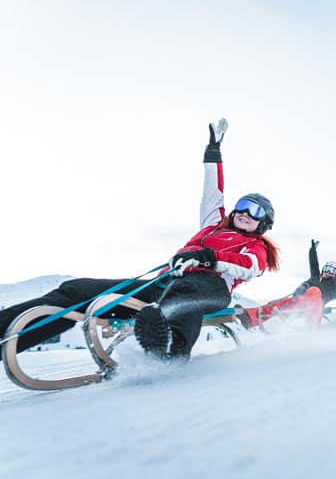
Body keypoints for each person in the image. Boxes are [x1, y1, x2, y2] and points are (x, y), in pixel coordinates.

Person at [0, 118, 279, 360]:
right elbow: (213, 191)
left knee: (185, 296)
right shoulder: (213, 226)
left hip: (211, 288)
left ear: (263, 224)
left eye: (255, 211)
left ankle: (170, 350)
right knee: (75, 290)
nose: (244, 212)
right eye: (242, 205)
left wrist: (208, 257)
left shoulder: (256, 247)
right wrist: (213, 151)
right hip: (166, 283)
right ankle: (6, 332)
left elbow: (249, 265)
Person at [240, 240, 336, 328]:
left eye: (331, 270)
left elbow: (329, 295)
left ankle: (311, 332)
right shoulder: (316, 278)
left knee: (314, 290)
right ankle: (249, 317)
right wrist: (312, 250)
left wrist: (310, 287)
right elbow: (314, 264)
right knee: (274, 304)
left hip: (315, 306)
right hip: (300, 301)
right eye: (326, 269)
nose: (328, 271)